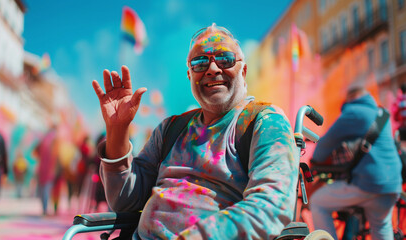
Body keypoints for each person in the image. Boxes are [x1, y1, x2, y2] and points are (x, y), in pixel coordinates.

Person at [93, 23, 299, 239]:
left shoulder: (264, 121)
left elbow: (270, 206)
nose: (212, 69)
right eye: (200, 62)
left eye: (225, 59)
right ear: (190, 76)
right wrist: (117, 130)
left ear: (244, 71)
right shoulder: (170, 129)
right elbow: (124, 199)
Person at [310, 87, 402, 240]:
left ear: (350, 99)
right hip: (392, 185)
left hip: (369, 183)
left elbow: (324, 146)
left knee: (318, 203)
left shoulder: (353, 112)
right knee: (381, 227)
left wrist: (315, 162)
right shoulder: (381, 114)